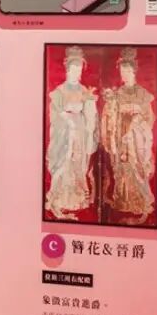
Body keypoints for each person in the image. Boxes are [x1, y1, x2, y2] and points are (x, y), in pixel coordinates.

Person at [101, 47, 156, 223]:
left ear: (134, 71)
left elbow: (149, 117)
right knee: (122, 167)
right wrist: (111, 106)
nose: (124, 75)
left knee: (136, 166)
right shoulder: (117, 94)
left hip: (136, 136)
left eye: (127, 71)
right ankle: (123, 200)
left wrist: (136, 122)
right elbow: (110, 115)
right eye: (122, 71)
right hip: (120, 132)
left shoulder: (143, 94)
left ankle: (140, 201)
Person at [45, 46, 98, 220]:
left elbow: (90, 115)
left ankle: (77, 197)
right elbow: (55, 113)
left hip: (79, 132)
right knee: (64, 163)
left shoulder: (84, 91)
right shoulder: (59, 91)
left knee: (78, 164)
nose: (76, 73)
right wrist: (67, 118)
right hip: (64, 133)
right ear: (67, 70)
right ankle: (60, 198)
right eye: (74, 69)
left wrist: (87, 126)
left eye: (79, 70)